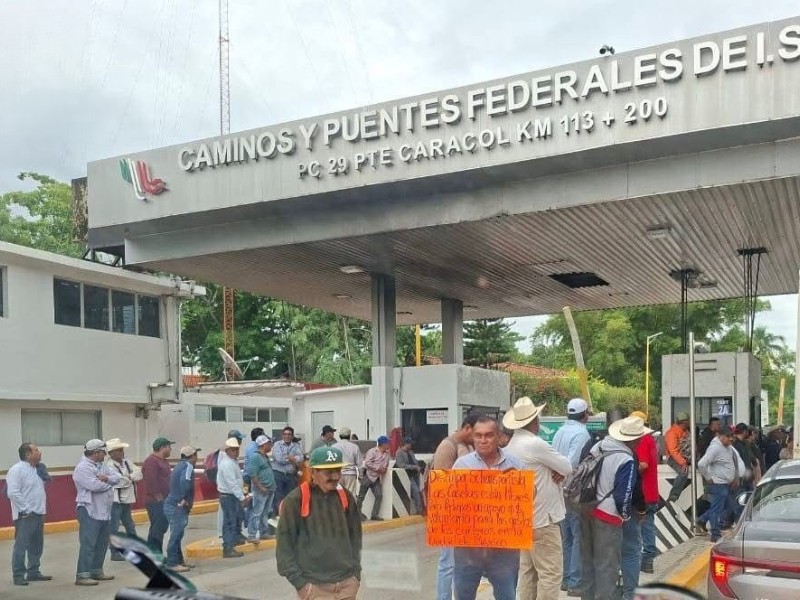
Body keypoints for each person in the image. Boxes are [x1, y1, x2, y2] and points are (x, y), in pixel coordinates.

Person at [504, 397, 572, 599]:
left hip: (523, 520)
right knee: (550, 574)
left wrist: (555, 470)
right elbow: (567, 466)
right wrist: (558, 470)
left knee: (527, 572)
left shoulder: (509, 447)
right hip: (543, 520)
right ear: (534, 421)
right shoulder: (535, 444)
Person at [452, 415, 523, 600]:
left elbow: (529, 498)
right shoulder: (462, 466)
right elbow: (451, 504)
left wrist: (520, 485)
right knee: (463, 595)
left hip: (504, 549)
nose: (483, 440)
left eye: (489, 435)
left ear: (499, 436)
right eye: (478, 435)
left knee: (507, 595)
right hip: (468, 548)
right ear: (473, 437)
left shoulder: (516, 464)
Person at [277, 446, 363, 600]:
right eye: (328, 472)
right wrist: (301, 585)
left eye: (338, 470)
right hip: (315, 589)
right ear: (313, 472)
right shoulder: (295, 500)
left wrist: (355, 576)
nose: (335, 476)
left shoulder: (346, 497)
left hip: (347, 586)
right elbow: (284, 546)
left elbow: (356, 537)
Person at [580, 416, 650, 600]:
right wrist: (626, 516)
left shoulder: (598, 446)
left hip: (587, 510)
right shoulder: (625, 458)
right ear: (635, 439)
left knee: (588, 563)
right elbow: (623, 496)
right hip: (608, 517)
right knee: (608, 568)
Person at [432, 412, 480, 600]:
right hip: (450, 514)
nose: (478, 438)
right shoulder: (447, 446)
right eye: (475, 433)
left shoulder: (466, 445)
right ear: (467, 428)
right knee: (448, 563)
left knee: (463, 563)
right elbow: (443, 487)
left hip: (466, 514)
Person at [551, 398, 591, 596]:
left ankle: (566, 579)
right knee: (577, 537)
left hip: (559, 488)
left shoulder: (560, 431)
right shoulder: (581, 433)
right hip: (574, 489)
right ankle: (575, 582)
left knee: (566, 537)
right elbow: (572, 462)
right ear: (584, 415)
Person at [73, 439, 121, 586]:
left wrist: (106, 478)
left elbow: (118, 478)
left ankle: (96, 570)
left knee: (102, 543)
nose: (105, 454)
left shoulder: (102, 466)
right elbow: (93, 486)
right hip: (89, 510)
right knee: (89, 543)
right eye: (102, 452)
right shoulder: (82, 468)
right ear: (95, 453)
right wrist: (109, 484)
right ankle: (82, 575)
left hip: (104, 511)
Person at [7, 443, 50, 586]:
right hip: (25, 514)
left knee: (37, 545)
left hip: (38, 513)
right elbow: (12, 492)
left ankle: (33, 572)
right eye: (36, 450)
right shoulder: (17, 470)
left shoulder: (37, 469)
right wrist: (25, 509)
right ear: (28, 454)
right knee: (21, 546)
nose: (40, 452)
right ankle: (19, 575)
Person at [697, 425, 745, 542]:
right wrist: (708, 477)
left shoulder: (727, 447)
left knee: (728, 506)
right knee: (717, 509)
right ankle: (715, 534)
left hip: (726, 484)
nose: (731, 439)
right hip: (718, 484)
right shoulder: (715, 448)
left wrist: (735, 477)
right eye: (728, 437)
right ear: (720, 436)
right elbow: (701, 464)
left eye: (732, 437)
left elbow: (732, 463)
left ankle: (702, 520)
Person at [629, 411, 660, 576]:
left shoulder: (642, 440)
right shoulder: (651, 440)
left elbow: (643, 465)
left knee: (644, 528)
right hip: (651, 491)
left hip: (644, 493)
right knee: (647, 526)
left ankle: (646, 560)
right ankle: (647, 561)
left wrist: (628, 471)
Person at [163, 446, 200, 572]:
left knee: (177, 534)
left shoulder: (179, 465)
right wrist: (184, 498)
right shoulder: (188, 466)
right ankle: (172, 563)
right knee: (176, 534)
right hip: (177, 504)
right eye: (196, 455)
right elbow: (185, 481)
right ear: (193, 456)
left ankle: (179, 561)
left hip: (171, 503)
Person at [105, 438, 142, 562]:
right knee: (114, 527)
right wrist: (129, 478)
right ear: (112, 453)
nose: (122, 452)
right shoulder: (109, 466)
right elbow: (120, 482)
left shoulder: (127, 462)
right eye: (119, 450)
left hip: (127, 499)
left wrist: (128, 477)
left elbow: (139, 473)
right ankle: (114, 552)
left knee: (130, 525)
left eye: (122, 450)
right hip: (116, 501)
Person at [217, 437, 251, 558]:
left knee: (235, 519)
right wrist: (242, 498)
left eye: (237, 449)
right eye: (233, 449)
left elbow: (237, 481)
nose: (235, 452)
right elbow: (232, 484)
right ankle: (228, 548)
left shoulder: (232, 462)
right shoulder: (227, 464)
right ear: (227, 451)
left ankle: (233, 541)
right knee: (229, 522)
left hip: (231, 496)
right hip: (229, 496)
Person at [142, 436, 174, 554]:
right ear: (162, 448)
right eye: (169, 446)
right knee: (157, 529)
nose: (171, 449)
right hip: (156, 502)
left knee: (159, 529)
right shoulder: (151, 461)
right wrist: (159, 498)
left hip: (165, 500)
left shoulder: (164, 461)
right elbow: (151, 481)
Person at [246, 435, 276, 543]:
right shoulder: (256, 457)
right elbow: (252, 475)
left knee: (265, 512)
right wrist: (261, 487)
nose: (271, 446)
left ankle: (264, 533)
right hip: (261, 490)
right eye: (269, 443)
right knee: (257, 512)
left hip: (269, 489)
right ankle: (251, 534)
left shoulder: (264, 456)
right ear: (264, 444)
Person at [356, 435, 390, 521]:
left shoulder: (387, 454)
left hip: (377, 478)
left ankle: (374, 515)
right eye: (387, 443)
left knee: (379, 496)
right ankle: (357, 514)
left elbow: (385, 466)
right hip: (368, 476)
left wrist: (382, 469)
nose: (389, 445)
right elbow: (367, 463)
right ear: (383, 444)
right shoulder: (372, 451)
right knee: (361, 496)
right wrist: (378, 468)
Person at [272, 426, 304, 512]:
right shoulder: (277, 444)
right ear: (282, 435)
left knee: (290, 497)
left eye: (289, 434)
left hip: (291, 475)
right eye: (285, 434)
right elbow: (279, 459)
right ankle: (278, 516)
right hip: (278, 474)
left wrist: (288, 457)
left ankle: (288, 516)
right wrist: (293, 458)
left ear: (292, 436)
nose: (287, 436)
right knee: (278, 497)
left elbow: (301, 458)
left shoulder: (296, 445)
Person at [665, 412, 691, 502]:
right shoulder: (671, 433)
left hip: (687, 457)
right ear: (685, 422)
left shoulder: (686, 431)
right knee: (684, 471)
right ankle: (673, 496)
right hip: (674, 458)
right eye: (688, 421)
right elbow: (673, 450)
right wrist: (682, 462)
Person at [394, 437, 424, 515]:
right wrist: (413, 467)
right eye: (410, 443)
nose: (411, 445)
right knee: (416, 491)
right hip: (407, 475)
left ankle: (419, 508)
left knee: (418, 491)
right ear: (406, 444)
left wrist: (418, 466)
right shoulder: (399, 453)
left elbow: (415, 461)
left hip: (415, 474)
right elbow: (401, 465)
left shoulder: (410, 452)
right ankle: (419, 510)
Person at [332, 426, 363, 496]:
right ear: (349, 436)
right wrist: (361, 476)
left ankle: (340, 507)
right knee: (351, 495)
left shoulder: (334, 447)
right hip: (351, 474)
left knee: (338, 494)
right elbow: (360, 463)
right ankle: (350, 507)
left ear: (340, 436)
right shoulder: (355, 447)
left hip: (338, 473)